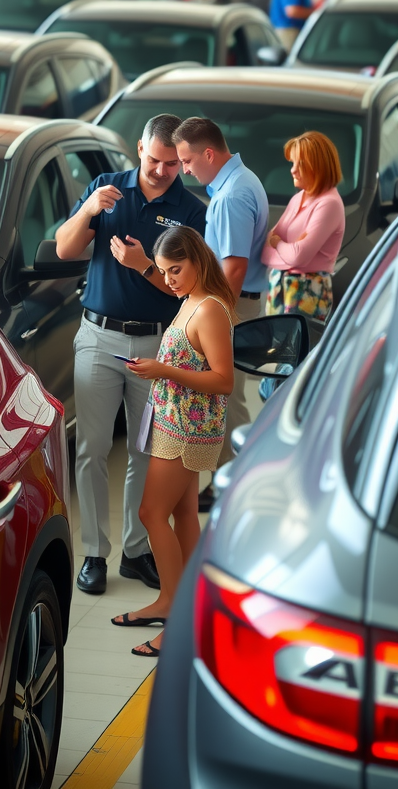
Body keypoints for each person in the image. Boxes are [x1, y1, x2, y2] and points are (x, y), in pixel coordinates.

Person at [55, 114, 207, 596]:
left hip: (158, 346)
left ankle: (135, 550)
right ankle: (94, 554)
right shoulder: (107, 188)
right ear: (139, 149)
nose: (163, 171)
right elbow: (64, 249)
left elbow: (193, 292)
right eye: (155, 159)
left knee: (145, 453)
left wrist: (144, 267)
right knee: (92, 449)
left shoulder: (191, 211)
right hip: (98, 338)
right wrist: (87, 212)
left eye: (172, 164)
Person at [109, 226, 237, 657]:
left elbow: (223, 380)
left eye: (176, 269)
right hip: (172, 421)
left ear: (198, 259)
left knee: (150, 513)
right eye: (164, 272)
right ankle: (174, 602)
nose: (170, 280)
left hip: (189, 429)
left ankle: (180, 617)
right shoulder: (189, 300)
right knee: (182, 513)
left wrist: (163, 371)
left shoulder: (210, 310)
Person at [173, 116, 268, 510]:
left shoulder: (230, 197)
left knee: (227, 398)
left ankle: (234, 482)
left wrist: (215, 315)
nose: (184, 170)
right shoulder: (241, 180)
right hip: (240, 301)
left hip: (233, 303)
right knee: (230, 395)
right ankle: (232, 477)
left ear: (208, 153)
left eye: (187, 161)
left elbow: (233, 269)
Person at [261, 130, 346, 321]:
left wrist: (280, 244)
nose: (292, 170)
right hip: (279, 292)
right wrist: (289, 249)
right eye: (293, 163)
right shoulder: (298, 198)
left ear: (319, 167)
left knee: (301, 349)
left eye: (301, 164)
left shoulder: (329, 203)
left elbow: (298, 255)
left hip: (307, 293)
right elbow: (266, 252)